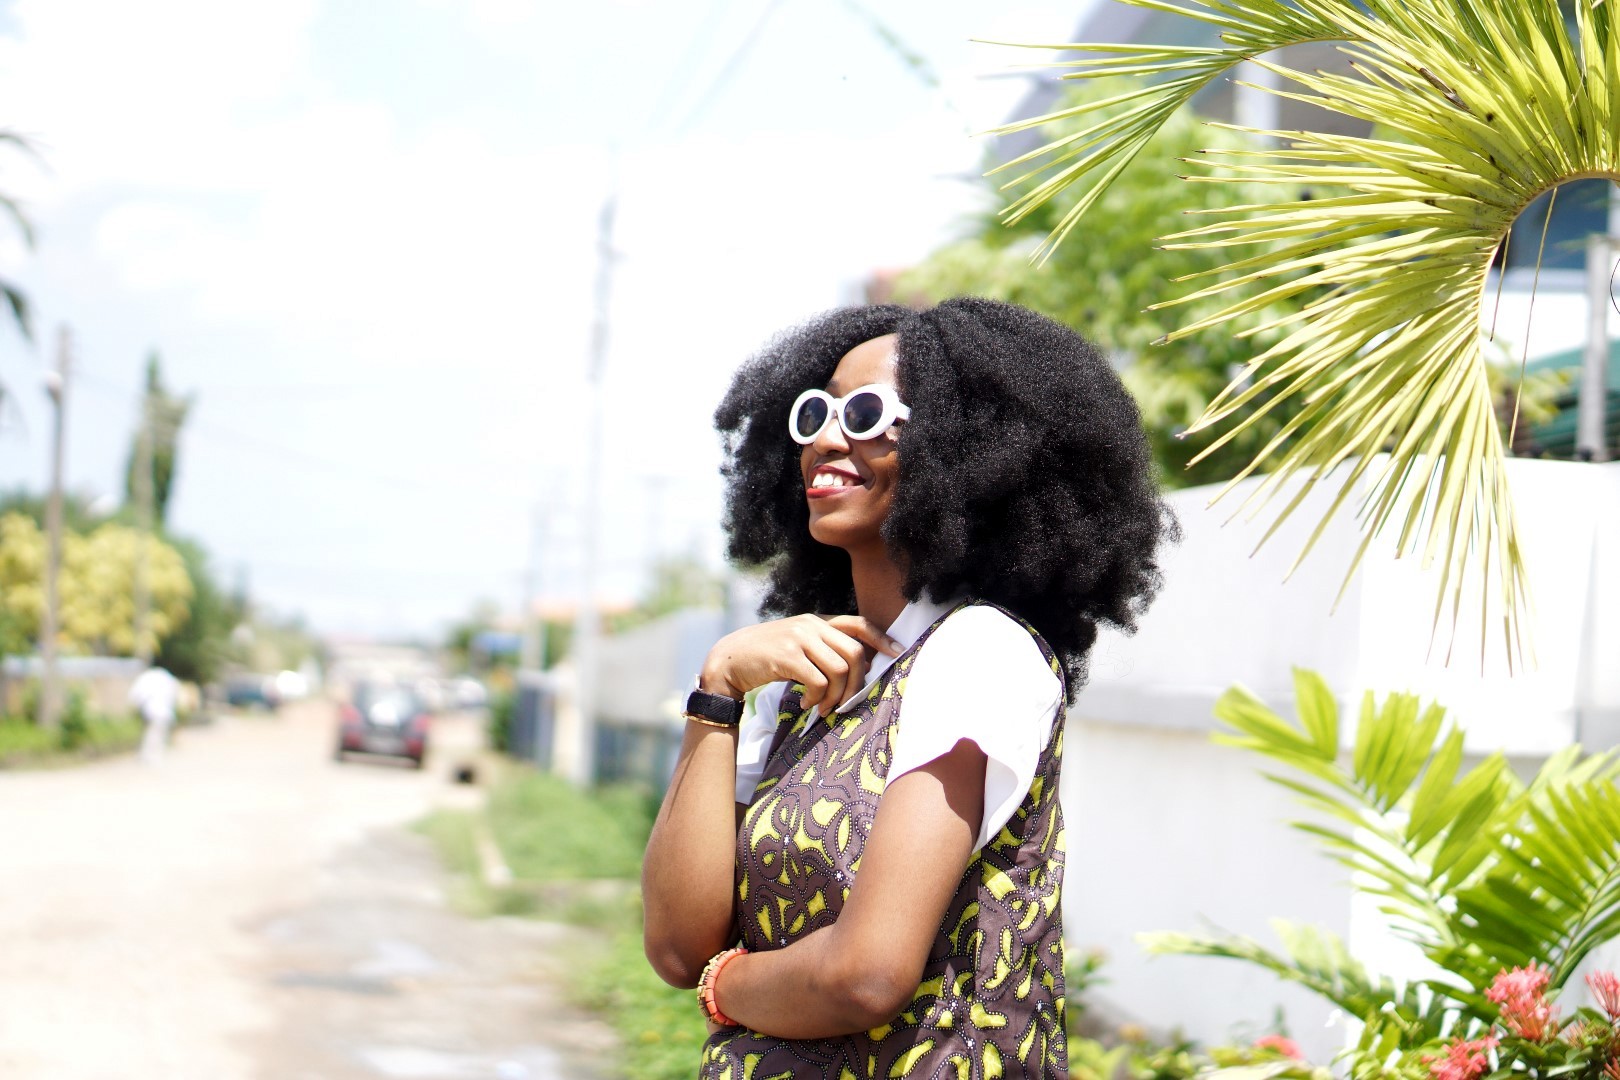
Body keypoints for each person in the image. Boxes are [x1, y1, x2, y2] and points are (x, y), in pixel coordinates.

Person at [641, 298, 1173, 1077]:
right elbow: (677, 944)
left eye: (866, 414)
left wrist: (728, 987)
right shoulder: (805, 684)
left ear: (969, 446)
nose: (827, 437)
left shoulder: (980, 653)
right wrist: (717, 690)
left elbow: (864, 975)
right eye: (815, 412)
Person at [128, 663, 181, 766]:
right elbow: (175, 696)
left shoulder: (146, 678)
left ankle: (148, 757)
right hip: (163, 711)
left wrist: (135, 705)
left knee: (151, 733)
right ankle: (152, 757)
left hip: (149, 710)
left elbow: (135, 694)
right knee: (157, 734)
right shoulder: (167, 679)